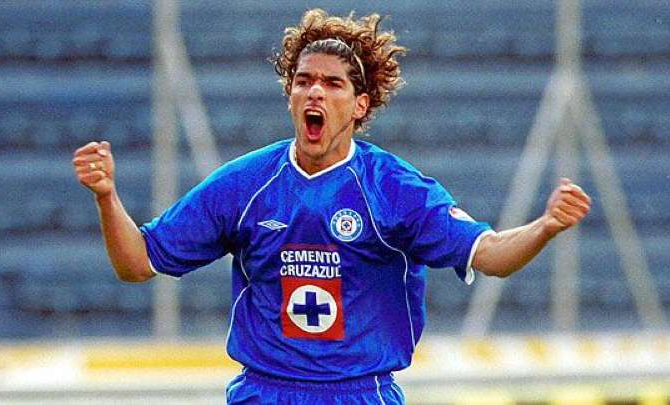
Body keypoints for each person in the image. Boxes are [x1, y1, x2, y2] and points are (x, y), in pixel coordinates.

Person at [72, 9, 591, 405]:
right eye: (303, 81)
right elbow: (137, 263)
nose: (313, 91)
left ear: (360, 104)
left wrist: (545, 227)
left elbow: (490, 253)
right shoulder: (247, 184)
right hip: (265, 392)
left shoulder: (394, 188)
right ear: (290, 95)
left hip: (361, 392)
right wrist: (107, 197)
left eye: (332, 83)